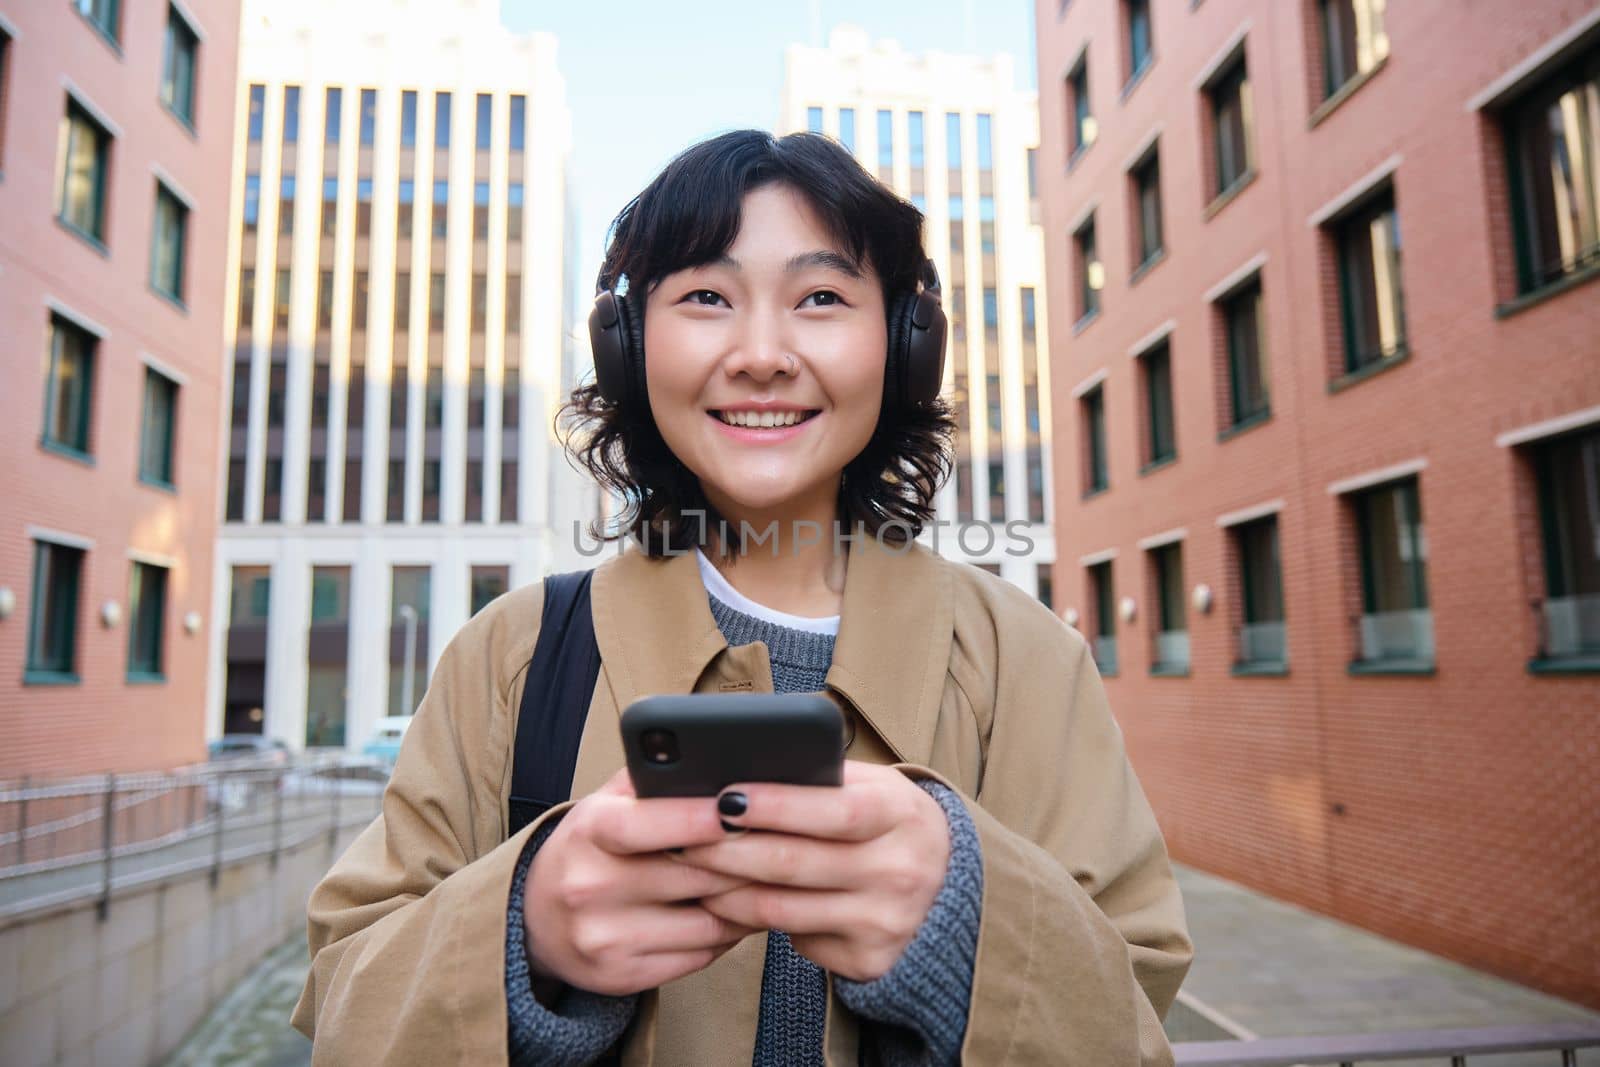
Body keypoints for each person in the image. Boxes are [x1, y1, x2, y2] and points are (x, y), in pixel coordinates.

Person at [290, 129, 1193, 1065]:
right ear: (628, 343)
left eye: (822, 298)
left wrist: (967, 928)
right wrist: (527, 935)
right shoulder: (514, 656)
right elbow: (347, 999)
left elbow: (1132, 1015)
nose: (762, 354)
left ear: (906, 342)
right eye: (707, 298)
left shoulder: (1028, 659)